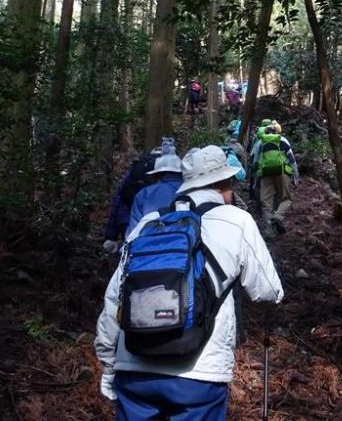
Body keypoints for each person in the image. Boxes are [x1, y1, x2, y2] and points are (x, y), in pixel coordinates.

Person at [95, 145, 284, 421]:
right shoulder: (237, 221)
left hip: (134, 367)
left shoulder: (149, 223)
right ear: (225, 183)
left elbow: (115, 298)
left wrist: (109, 364)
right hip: (199, 374)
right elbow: (268, 290)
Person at [103, 146, 162, 252]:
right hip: (158, 224)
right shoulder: (171, 176)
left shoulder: (135, 171)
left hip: (128, 221)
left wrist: (111, 236)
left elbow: (118, 201)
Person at [125, 139, 183, 237]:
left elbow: (133, 232)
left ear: (156, 175)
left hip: (149, 247)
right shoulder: (190, 192)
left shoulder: (144, 194)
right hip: (184, 247)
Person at [250, 123, 299, 237]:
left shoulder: (260, 142)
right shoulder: (283, 140)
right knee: (286, 199)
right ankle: (278, 217)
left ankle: (269, 231)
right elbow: (292, 160)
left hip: (266, 174)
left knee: (266, 202)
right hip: (282, 173)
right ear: (277, 132)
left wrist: (256, 178)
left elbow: (256, 162)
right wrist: (296, 176)